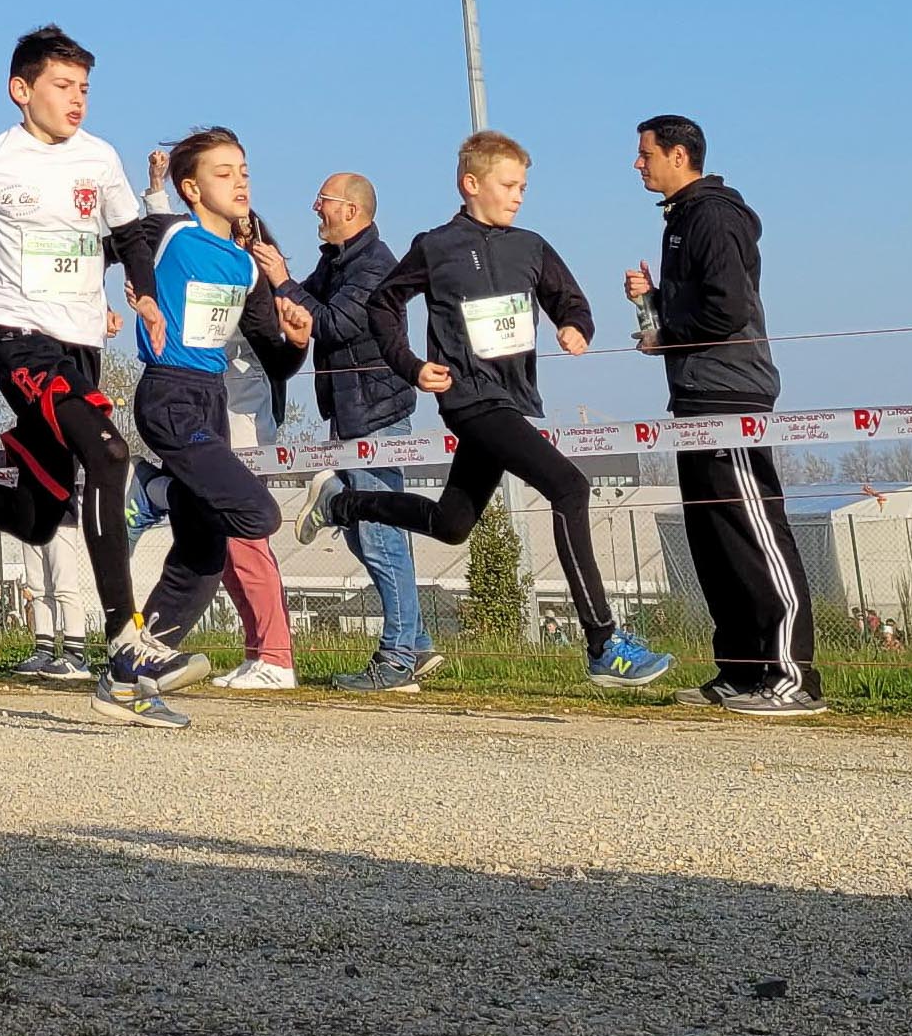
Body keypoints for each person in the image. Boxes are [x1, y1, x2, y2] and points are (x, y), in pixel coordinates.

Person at [301, 129, 673, 692]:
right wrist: (409, 365)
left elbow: (568, 298)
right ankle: (603, 644)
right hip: (470, 401)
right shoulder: (436, 246)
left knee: (452, 525)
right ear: (471, 184)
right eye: (508, 184)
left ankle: (342, 502)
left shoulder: (531, 245)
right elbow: (383, 304)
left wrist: (576, 326)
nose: (518, 195)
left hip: (511, 397)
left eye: (523, 185)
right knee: (569, 487)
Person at [0, 26, 159, 665]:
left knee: (41, 516)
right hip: (17, 339)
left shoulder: (98, 157)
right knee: (108, 450)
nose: (77, 101)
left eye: (85, 89)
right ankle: (126, 641)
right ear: (22, 90)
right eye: (63, 86)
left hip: (81, 345)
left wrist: (144, 292)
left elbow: (129, 236)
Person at [34, 128, 309, 726]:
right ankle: (156, 490)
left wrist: (298, 334)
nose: (240, 181)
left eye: (244, 170)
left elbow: (275, 355)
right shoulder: (170, 233)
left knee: (205, 555)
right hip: (169, 397)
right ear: (190, 188)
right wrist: (92, 310)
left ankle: (128, 675)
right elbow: (93, 254)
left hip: (213, 401)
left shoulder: (244, 263)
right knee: (258, 513)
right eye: (223, 173)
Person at [626, 114, 822, 715]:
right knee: (715, 539)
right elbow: (705, 303)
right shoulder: (683, 219)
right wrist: (653, 303)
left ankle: (794, 676)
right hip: (696, 392)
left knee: (754, 528)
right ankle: (740, 670)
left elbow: (729, 309)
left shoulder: (713, 215)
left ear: (679, 155)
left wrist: (665, 337)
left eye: (645, 154)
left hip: (730, 393)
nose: (638, 164)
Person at [301, 173, 440, 692]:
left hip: (377, 418)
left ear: (352, 211)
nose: (315, 207)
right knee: (368, 535)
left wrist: (284, 286)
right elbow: (301, 307)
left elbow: (333, 323)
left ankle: (398, 657)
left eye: (324, 200)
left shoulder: (377, 265)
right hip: (352, 417)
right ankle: (418, 640)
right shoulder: (335, 261)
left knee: (381, 538)